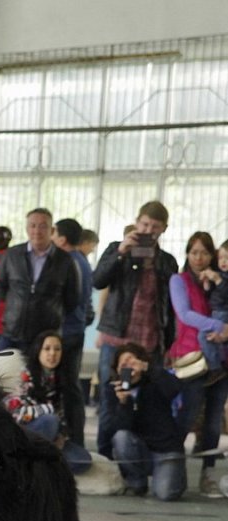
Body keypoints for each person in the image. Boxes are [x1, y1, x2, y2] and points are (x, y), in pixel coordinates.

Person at [92, 201, 178, 458]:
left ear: (163, 229)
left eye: (155, 226)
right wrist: (120, 252)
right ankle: (106, 457)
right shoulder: (116, 249)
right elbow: (98, 281)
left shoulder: (167, 261)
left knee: (151, 400)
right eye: (144, 224)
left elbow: (169, 306)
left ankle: (138, 456)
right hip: (116, 339)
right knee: (110, 398)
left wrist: (169, 343)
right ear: (136, 222)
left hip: (150, 342)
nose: (148, 229)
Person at [169, 231, 228, 498]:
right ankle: (170, 468)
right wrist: (218, 325)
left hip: (221, 360)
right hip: (191, 358)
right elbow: (185, 314)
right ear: (187, 254)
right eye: (194, 252)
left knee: (214, 422)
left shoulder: (220, 281)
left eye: (205, 253)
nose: (199, 258)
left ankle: (208, 474)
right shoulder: (178, 281)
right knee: (188, 414)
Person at [102, 342, 186, 501]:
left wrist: (149, 368)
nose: (128, 366)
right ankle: (136, 482)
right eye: (123, 364)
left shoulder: (155, 381)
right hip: (139, 449)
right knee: (121, 437)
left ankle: (177, 475)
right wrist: (123, 403)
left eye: (132, 361)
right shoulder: (113, 389)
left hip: (165, 449)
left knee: (165, 494)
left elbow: (174, 388)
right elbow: (116, 428)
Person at [3, 329, 91, 475]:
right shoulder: (26, 374)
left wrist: (61, 437)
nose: (52, 353)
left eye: (57, 349)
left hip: (50, 439)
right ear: (39, 351)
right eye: (47, 348)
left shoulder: (61, 378)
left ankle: (40, 464)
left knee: (82, 460)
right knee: (49, 420)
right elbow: (17, 414)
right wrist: (47, 409)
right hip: (23, 436)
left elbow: (62, 417)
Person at [0, 207, 79, 353]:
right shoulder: (12, 255)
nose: (37, 231)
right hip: (12, 332)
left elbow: (72, 299)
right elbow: (1, 287)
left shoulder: (65, 261)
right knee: (3, 373)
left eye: (43, 226)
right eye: (32, 225)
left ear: (52, 230)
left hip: (45, 337)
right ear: (27, 228)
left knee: (38, 376)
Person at [52, 218, 94, 446]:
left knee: (68, 387)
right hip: (74, 328)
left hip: (67, 331)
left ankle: (75, 439)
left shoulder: (70, 262)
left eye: (53, 233)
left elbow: (71, 300)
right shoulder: (81, 260)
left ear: (62, 239)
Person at [197, 237, 228, 378]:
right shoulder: (221, 274)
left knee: (205, 336)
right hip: (215, 312)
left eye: (227, 258)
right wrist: (207, 284)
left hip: (222, 313)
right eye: (221, 257)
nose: (223, 261)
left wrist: (217, 280)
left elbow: (224, 293)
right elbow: (212, 294)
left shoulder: (222, 278)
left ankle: (215, 367)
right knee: (208, 337)